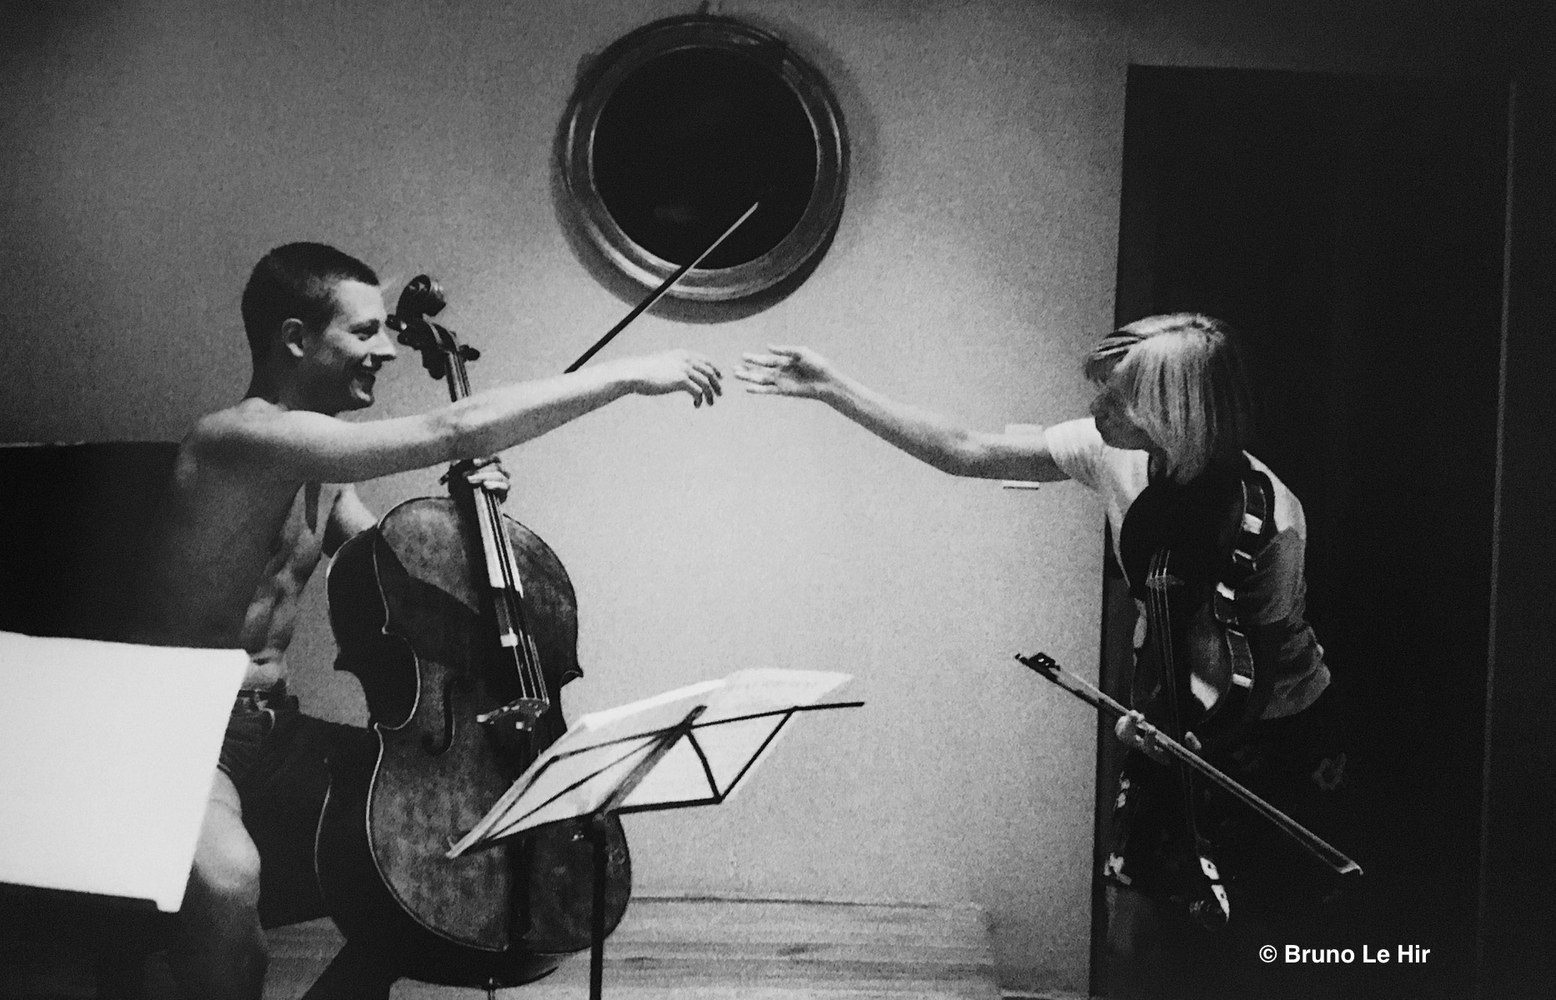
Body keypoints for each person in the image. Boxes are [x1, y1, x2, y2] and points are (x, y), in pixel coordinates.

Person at [131, 241, 724, 1000]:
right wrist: (625, 375)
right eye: (364, 331)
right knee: (228, 880)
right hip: (179, 730)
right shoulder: (238, 438)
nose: (386, 350)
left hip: (271, 724)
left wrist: (466, 515)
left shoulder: (319, 467)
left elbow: (393, 568)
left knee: (442, 832)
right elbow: (452, 425)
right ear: (295, 340)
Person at [734, 314, 1350, 999]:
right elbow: (966, 449)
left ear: (1171, 413)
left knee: (1259, 942)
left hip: (1267, 727)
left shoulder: (1273, 522)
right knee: (1136, 931)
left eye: (1117, 397)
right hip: (1169, 710)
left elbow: (1246, 672)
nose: (1096, 406)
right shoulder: (1114, 451)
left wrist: (1186, 731)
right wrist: (833, 387)